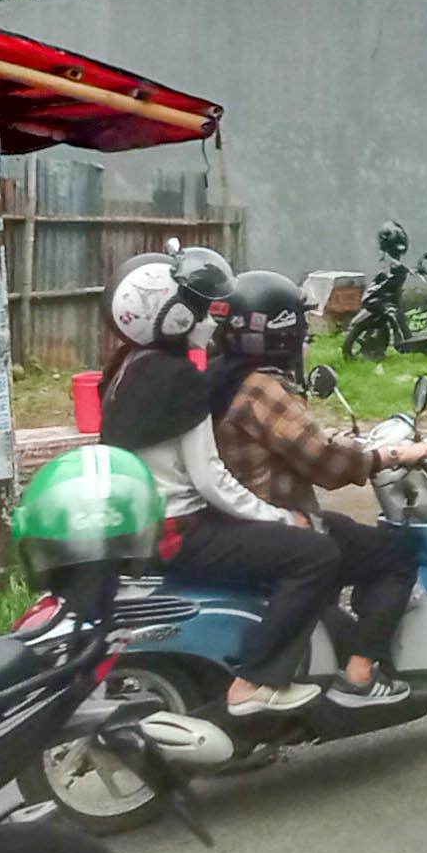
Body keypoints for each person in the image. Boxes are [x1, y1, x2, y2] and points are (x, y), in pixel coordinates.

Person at [93, 247, 354, 719]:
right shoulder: (181, 380)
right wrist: (282, 518)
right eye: (198, 309)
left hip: (141, 527)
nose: (209, 320)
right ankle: (256, 682)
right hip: (180, 531)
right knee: (317, 554)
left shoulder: (125, 369)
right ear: (173, 317)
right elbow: (211, 480)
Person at [208, 271, 427, 693]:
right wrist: (390, 456)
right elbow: (325, 463)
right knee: (396, 555)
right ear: (282, 332)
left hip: (238, 522)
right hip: (279, 521)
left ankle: (332, 643)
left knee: (344, 536)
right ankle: (361, 672)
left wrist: (337, 440)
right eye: (302, 329)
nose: (305, 340)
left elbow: (294, 442)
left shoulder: (222, 377)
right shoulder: (260, 388)